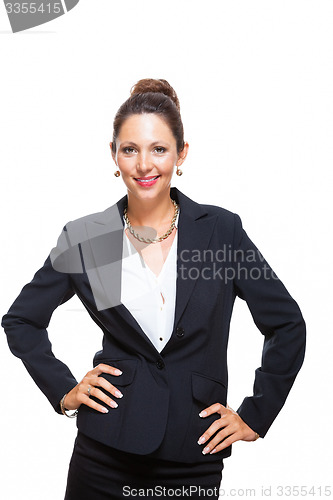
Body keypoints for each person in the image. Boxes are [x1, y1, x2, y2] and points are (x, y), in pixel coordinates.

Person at [2, 78, 306, 500]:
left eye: (159, 149)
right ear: (115, 156)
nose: (144, 165)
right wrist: (64, 390)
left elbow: (287, 324)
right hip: (104, 450)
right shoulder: (90, 237)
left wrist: (256, 415)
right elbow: (21, 319)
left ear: (181, 153)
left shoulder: (220, 232)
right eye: (130, 149)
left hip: (193, 455)